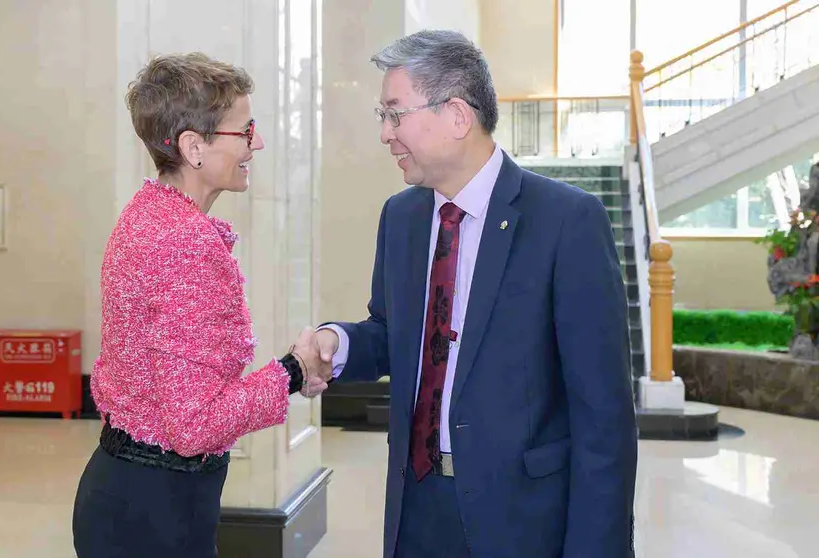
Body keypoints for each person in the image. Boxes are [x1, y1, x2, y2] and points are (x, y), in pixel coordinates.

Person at [312, 30, 639, 558]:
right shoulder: (402, 218)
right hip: (416, 506)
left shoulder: (566, 221)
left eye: (395, 114)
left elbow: (604, 420)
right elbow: (393, 334)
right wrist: (339, 342)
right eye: (383, 115)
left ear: (458, 115)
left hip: (523, 519)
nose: (385, 134)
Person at [72, 53, 329, 558]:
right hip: (154, 515)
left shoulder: (149, 215)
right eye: (244, 130)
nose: (257, 143)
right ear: (193, 146)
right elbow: (194, 426)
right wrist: (293, 372)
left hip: (132, 496)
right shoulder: (184, 243)